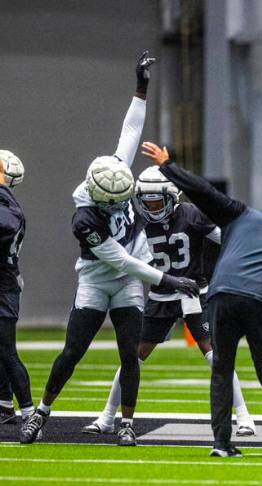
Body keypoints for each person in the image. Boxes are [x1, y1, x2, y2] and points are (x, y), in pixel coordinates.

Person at [21, 52, 201, 447]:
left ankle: (127, 422)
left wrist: (141, 86)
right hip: (99, 280)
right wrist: (170, 279)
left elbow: (130, 133)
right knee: (72, 351)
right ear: (98, 195)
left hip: (128, 284)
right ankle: (42, 412)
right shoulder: (85, 219)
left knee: (128, 354)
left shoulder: (113, 174)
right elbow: (120, 260)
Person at [140, 141, 262, 459]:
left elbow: (203, 191)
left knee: (221, 368)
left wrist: (168, 166)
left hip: (223, 294)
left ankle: (221, 443)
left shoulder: (243, 215)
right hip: (261, 301)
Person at [82, 165, 255, 437]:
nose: (151, 207)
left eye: (156, 200)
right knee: (133, 358)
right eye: (146, 200)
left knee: (215, 357)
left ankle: (244, 416)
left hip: (193, 294)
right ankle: (106, 417)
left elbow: (228, 238)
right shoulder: (137, 220)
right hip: (160, 295)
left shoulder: (191, 214)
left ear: (172, 197)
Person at [0, 150, 31, 425]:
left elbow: (5, 226)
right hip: (6, 282)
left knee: (7, 351)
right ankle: (4, 405)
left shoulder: (9, 209)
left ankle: (30, 413)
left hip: (4, 286)